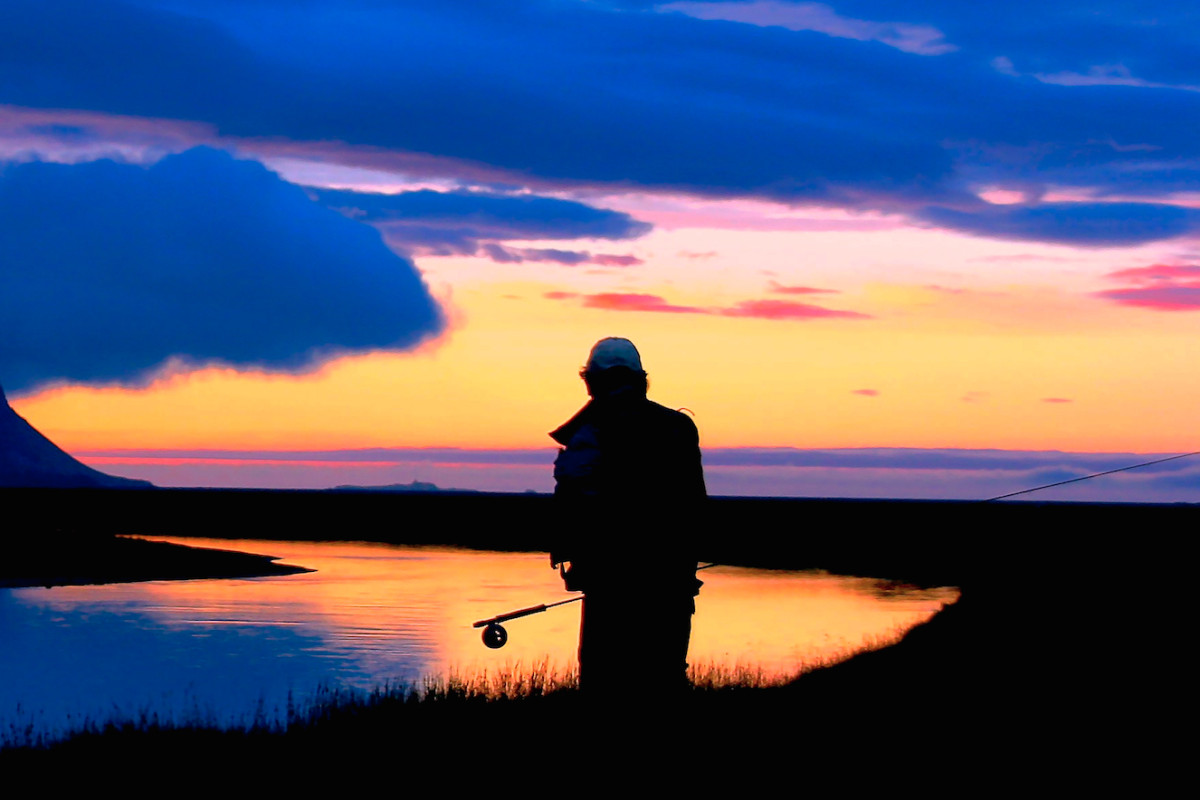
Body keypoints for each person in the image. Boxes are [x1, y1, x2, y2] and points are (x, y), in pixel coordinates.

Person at [549, 337, 706, 694]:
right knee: (664, 678)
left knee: (604, 682)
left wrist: (573, 559)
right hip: (671, 584)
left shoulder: (591, 432)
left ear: (592, 380)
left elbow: (574, 503)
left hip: (610, 587)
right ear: (640, 379)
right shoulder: (680, 428)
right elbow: (696, 507)